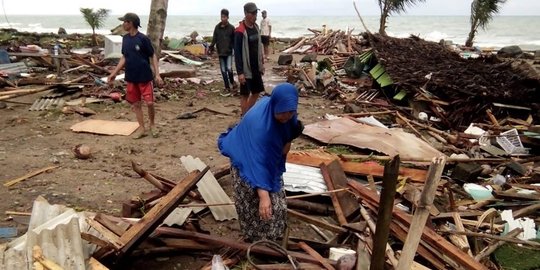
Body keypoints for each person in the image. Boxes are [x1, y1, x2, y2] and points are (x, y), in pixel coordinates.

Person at [218, 83, 304, 241]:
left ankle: (273, 236)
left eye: (290, 112)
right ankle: (254, 239)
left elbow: (287, 140)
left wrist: (287, 141)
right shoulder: (261, 129)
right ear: (274, 106)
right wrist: (264, 197)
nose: (286, 116)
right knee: (252, 200)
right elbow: (257, 164)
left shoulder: (288, 115)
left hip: (266, 156)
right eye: (282, 113)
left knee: (275, 199)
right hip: (245, 156)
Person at [108, 12, 163, 139]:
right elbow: (124, 57)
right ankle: (142, 128)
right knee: (136, 104)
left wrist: (157, 74)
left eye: (124, 22)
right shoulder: (125, 38)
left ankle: (153, 125)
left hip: (145, 76)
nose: (122, 24)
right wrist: (114, 73)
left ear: (130, 23)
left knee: (149, 103)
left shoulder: (143, 39)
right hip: (131, 77)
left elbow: (152, 55)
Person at [234, 2, 265, 115]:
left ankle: (246, 115)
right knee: (245, 94)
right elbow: (237, 53)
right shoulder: (240, 31)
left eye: (256, 13)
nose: (255, 16)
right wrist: (240, 72)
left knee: (256, 92)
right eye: (253, 13)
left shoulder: (256, 28)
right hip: (246, 69)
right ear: (246, 14)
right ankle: (244, 118)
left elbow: (259, 47)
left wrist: (262, 63)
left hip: (256, 67)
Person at [209, 9, 237, 95]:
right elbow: (214, 39)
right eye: (221, 17)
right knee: (223, 70)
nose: (223, 19)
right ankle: (227, 87)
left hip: (228, 52)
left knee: (229, 69)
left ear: (227, 17)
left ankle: (232, 83)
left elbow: (234, 40)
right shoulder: (217, 27)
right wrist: (211, 47)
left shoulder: (231, 28)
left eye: (224, 17)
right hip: (220, 51)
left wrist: (235, 49)